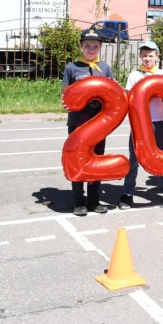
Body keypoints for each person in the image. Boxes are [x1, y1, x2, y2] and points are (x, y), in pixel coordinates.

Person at [118, 41, 163, 210]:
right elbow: (127, 97)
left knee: (162, 157)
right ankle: (128, 194)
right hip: (139, 125)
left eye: (151, 55)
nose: (147, 58)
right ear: (140, 56)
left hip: (159, 123)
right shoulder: (134, 75)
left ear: (157, 56)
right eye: (144, 55)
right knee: (134, 160)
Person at [62, 29, 113, 216]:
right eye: (87, 45)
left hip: (100, 124)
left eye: (95, 46)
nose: (91, 49)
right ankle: (78, 202)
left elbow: (113, 95)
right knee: (77, 160)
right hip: (78, 123)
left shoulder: (105, 68)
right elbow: (65, 94)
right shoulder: (72, 68)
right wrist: (65, 102)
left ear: (100, 48)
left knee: (96, 162)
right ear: (80, 46)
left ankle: (94, 201)